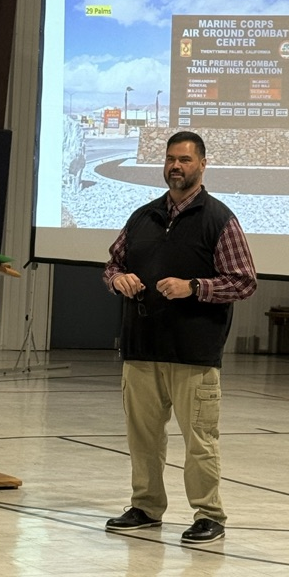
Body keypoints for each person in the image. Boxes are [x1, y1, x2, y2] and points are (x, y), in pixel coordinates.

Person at [103, 130, 257, 545]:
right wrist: (119, 280)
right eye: (171, 159)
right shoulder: (143, 216)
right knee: (143, 438)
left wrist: (195, 287)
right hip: (141, 348)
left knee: (199, 442)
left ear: (203, 165)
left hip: (194, 353)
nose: (176, 166)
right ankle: (146, 507)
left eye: (185, 160)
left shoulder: (218, 220)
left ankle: (209, 515)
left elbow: (244, 282)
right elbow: (111, 265)